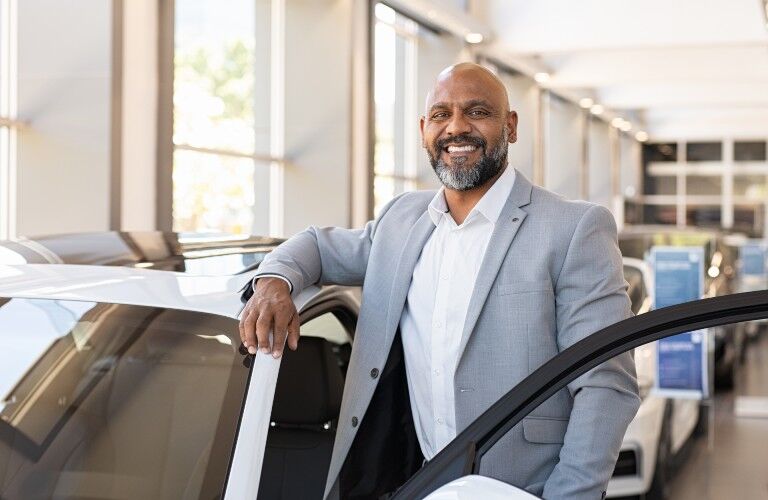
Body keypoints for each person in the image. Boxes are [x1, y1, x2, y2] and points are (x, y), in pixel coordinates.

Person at [239, 62, 640, 500]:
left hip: (522, 489)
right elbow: (315, 246)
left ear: (511, 126)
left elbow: (606, 384)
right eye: (440, 115)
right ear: (423, 129)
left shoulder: (573, 228)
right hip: (416, 481)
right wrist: (273, 283)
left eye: (477, 112)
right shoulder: (401, 221)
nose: (456, 128)